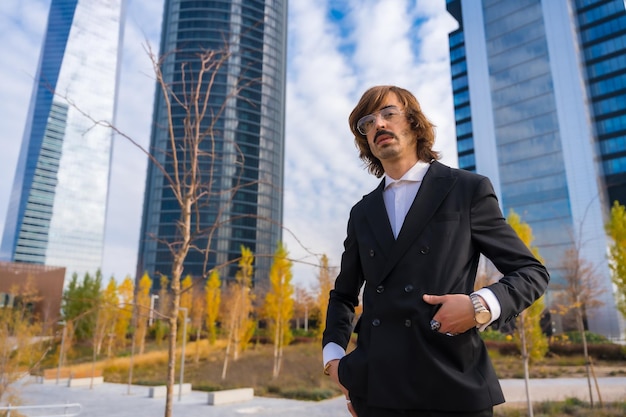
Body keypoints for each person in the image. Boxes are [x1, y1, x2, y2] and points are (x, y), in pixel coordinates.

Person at [322, 85, 550, 417]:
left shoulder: (467, 189)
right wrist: (334, 361)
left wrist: (478, 306)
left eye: (388, 114)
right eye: (367, 123)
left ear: (414, 123)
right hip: (376, 389)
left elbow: (532, 272)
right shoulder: (362, 212)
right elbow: (343, 295)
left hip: (451, 386)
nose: (378, 126)